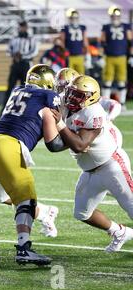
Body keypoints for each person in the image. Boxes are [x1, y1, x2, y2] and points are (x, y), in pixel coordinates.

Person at [0, 64, 63, 266]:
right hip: (9, 146)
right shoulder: (48, 97)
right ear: (49, 83)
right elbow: (54, 144)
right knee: (26, 199)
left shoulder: (18, 91)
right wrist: (72, 137)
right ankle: (24, 249)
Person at [51, 75, 133, 252]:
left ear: (91, 97)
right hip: (89, 170)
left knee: (132, 207)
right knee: (82, 213)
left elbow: (80, 145)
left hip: (112, 166)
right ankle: (119, 232)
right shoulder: (65, 103)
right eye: (72, 93)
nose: (72, 98)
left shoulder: (93, 112)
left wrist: (59, 124)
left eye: (78, 95)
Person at [3, 21, 38, 114]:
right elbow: (8, 50)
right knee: (10, 87)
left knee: (26, 87)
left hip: (26, 64)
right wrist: (14, 55)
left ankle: (26, 110)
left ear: (27, 27)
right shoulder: (14, 38)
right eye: (21, 26)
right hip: (15, 64)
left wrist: (22, 56)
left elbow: (34, 52)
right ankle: (5, 109)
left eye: (24, 26)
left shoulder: (31, 38)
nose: (22, 28)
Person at [100, 6, 133, 108]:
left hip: (122, 56)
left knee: (121, 80)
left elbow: (130, 41)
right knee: (107, 81)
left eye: (116, 15)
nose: (115, 17)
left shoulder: (125, 26)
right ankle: (106, 103)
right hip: (109, 56)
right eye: (113, 16)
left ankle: (122, 103)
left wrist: (131, 55)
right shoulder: (106, 27)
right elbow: (102, 41)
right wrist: (102, 56)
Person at [60, 9, 90, 75]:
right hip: (70, 55)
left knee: (80, 75)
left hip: (79, 54)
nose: (74, 19)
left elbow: (85, 41)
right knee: (69, 75)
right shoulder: (65, 28)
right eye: (72, 18)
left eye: (75, 18)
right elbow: (62, 41)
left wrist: (87, 54)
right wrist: (64, 51)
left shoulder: (82, 27)